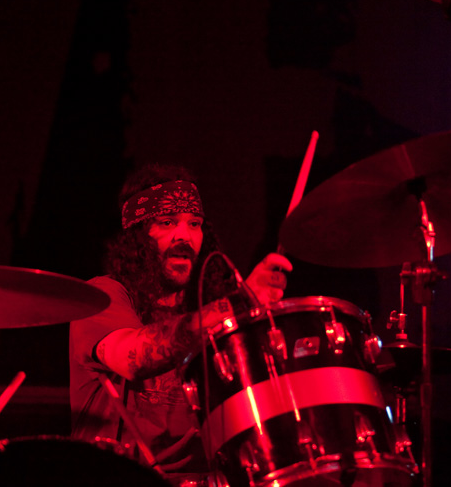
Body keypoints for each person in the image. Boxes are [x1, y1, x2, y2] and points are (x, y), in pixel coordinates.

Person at [69, 164, 292, 483]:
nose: (184, 236)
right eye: (167, 222)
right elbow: (131, 357)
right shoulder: (101, 297)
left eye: (194, 224)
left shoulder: (211, 311)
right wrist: (237, 302)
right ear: (137, 235)